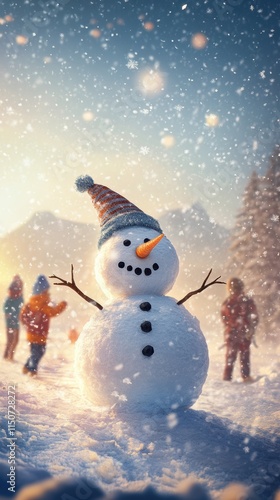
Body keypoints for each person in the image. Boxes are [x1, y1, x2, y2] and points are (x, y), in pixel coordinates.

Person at [21, 275, 67, 376]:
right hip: (40, 334)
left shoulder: (30, 303)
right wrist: (62, 305)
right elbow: (54, 312)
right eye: (46, 291)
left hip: (31, 333)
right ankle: (32, 369)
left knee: (35, 352)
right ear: (42, 292)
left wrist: (28, 324)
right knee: (38, 352)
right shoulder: (43, 305)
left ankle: (27, 366)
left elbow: (23, 315)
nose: (48, 294)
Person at [221, 277, 259, 382]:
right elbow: (254, 317)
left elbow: (224, 318)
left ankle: (227, 378)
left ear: (230, 288)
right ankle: (245, 376)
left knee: (230, 357)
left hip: (231, 333)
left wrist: (230, 326)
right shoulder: (247, 301)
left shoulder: (227, 302)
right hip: (244, 333)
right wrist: (251, 329)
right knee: (244, 356)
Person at [3, 275, 24, 361]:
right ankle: (7, 356)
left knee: (15, 340)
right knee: (11, 340)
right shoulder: (11, 297)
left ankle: (10, 355)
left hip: (16, 322)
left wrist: (22, 316)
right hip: (10, 322)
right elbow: (5, 307)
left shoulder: (20, 297)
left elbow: (23, 308)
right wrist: (8, 313)